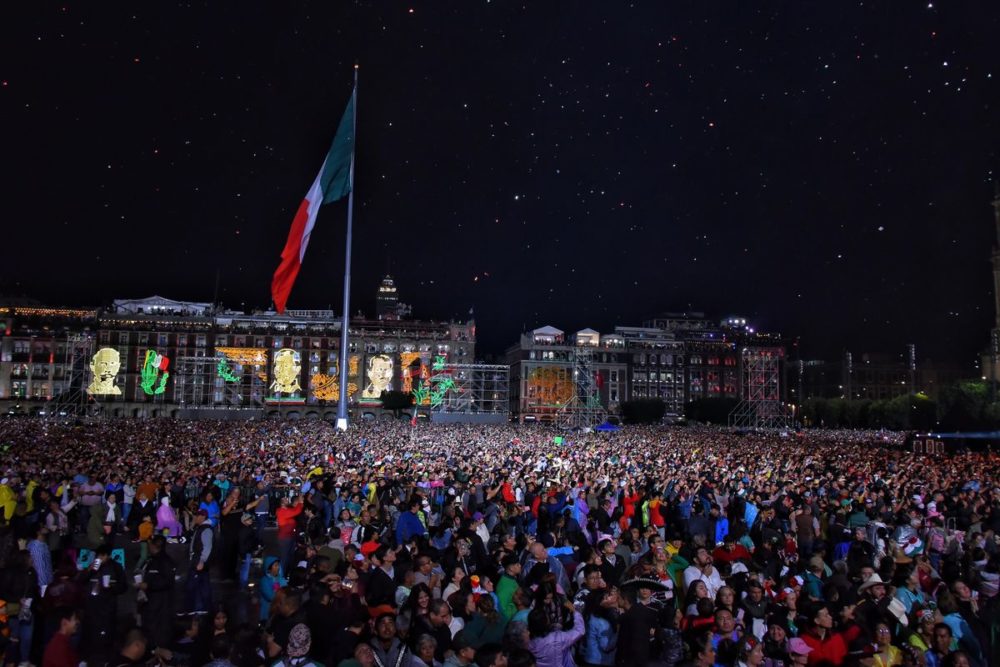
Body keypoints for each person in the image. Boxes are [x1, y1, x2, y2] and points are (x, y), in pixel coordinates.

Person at [139, 534, 177, 650]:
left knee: (158, 633)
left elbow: (168, 581)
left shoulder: (165, 562)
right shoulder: (151, 560)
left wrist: (149, 585)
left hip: (161, 606)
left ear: (155, 546)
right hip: (151, 603)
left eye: (150, 544)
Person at [528, 600, 584, 667]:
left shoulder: (527, 640)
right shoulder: (557, 638)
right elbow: (579, 630)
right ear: (546, 622)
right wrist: (575, 612)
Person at [582, 586, 619, 667]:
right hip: (599, 661)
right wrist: (618, 633)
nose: (610, 599)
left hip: (589, 658)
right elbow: (606, 646)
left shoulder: (590, 615)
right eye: (606, 598)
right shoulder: (601, 622)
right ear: (599, 602)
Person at [187, 507, 214, 614]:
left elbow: (207, 547)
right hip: (197, 561)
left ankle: (198, 607)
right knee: (202, 584)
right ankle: (201, 607)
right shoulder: (201, 528)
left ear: (203, 517)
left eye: (197, 516)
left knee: (197, 585)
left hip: (199, 562)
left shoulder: (206, 529)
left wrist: (201, 561)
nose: (195, 518)